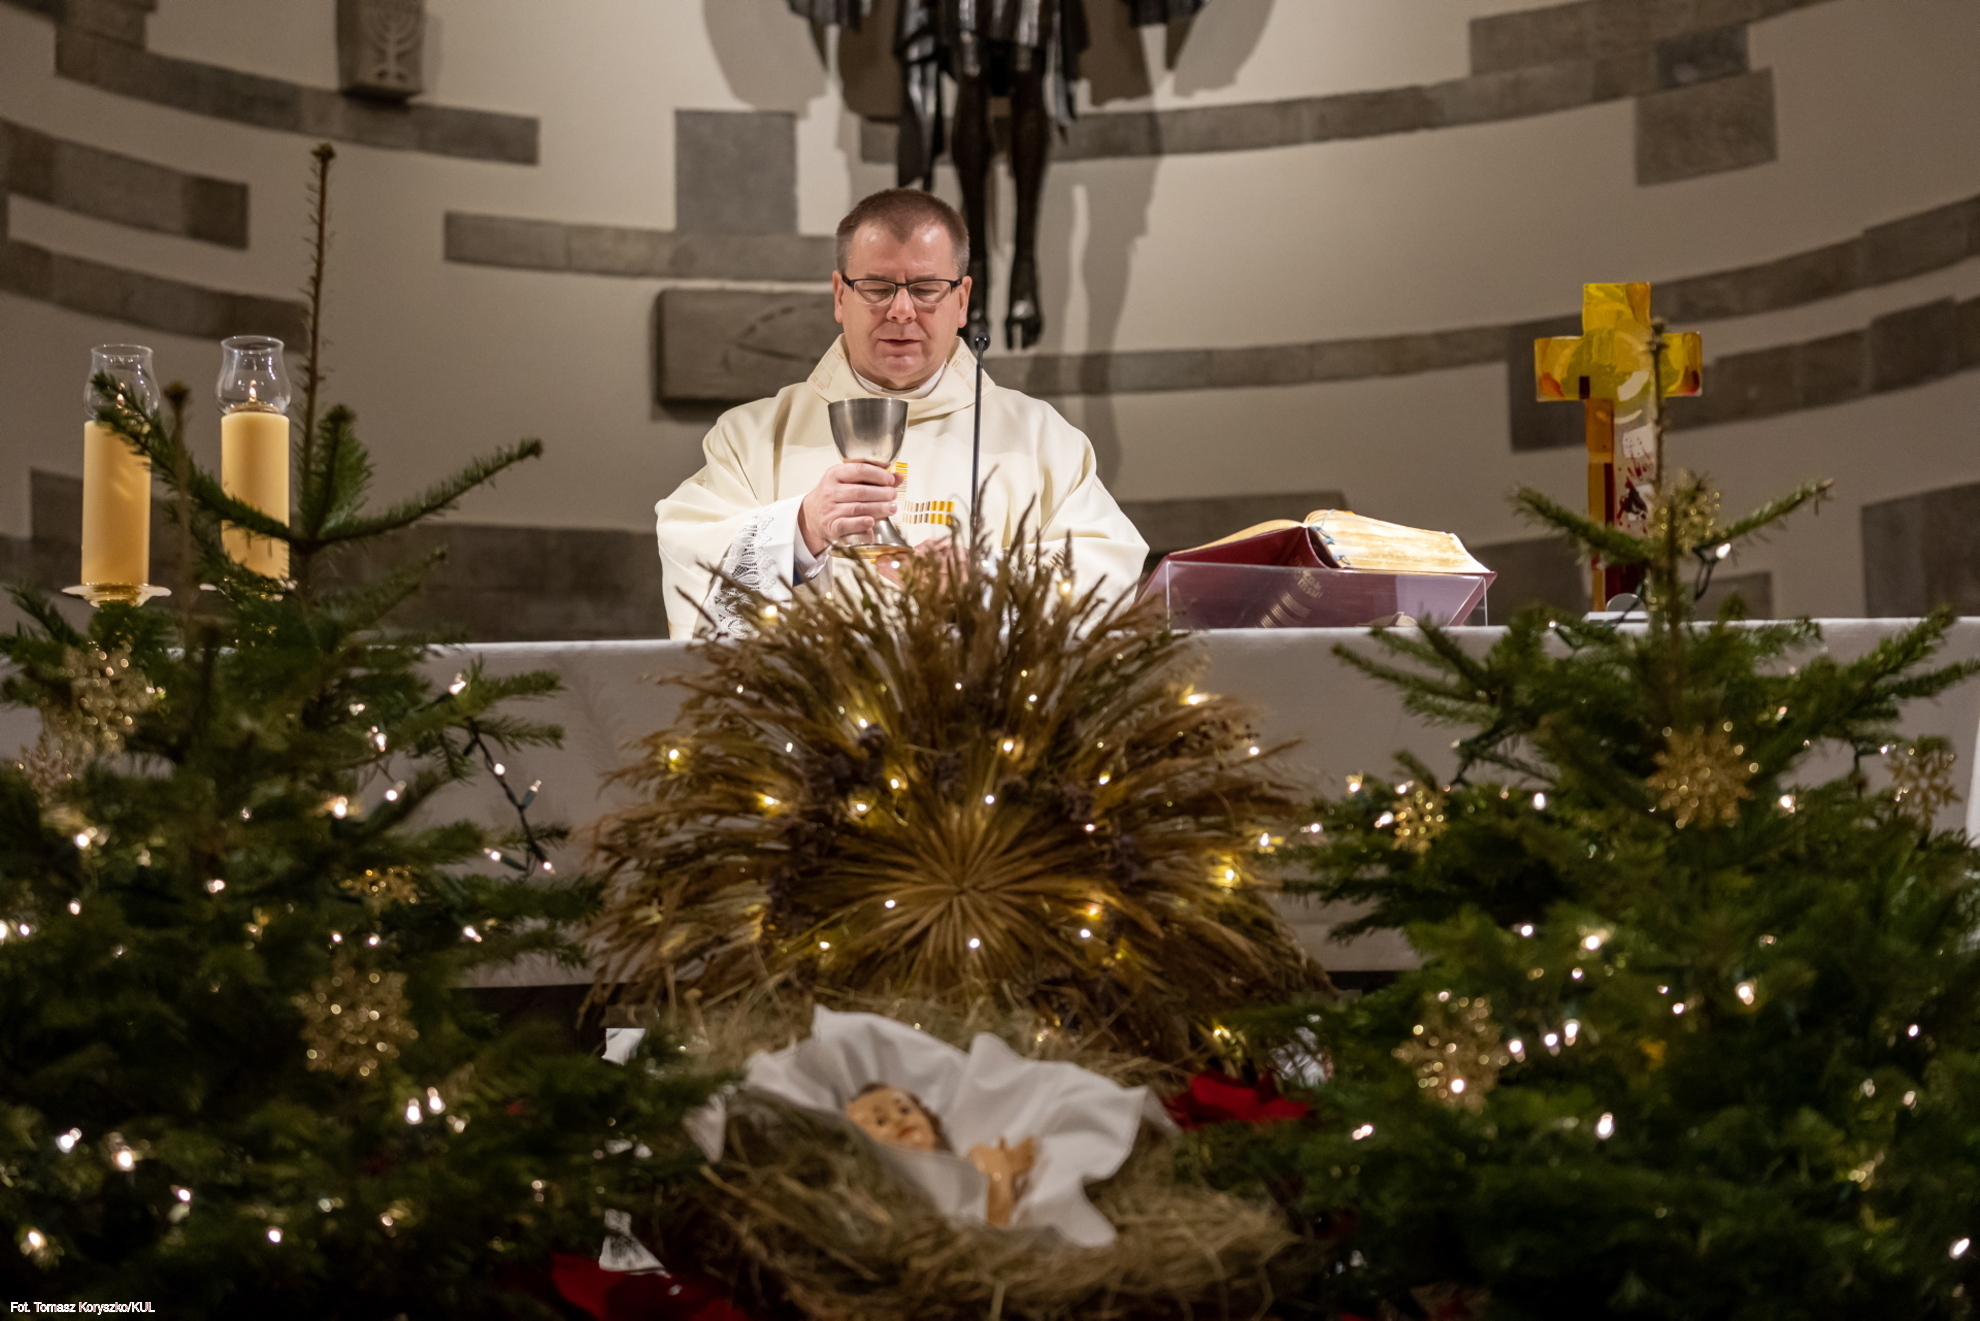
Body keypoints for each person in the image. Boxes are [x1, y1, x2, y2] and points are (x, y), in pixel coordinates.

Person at [653, 188, 1146, 640]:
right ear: (840, 295)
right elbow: (691, 559)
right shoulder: (750, 439)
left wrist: (987, 583)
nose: (902, 311)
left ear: (962, 300)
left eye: (927, 288)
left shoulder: (1041, 440)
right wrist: (802, 528)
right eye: (877, 287)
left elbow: (1106, 570)